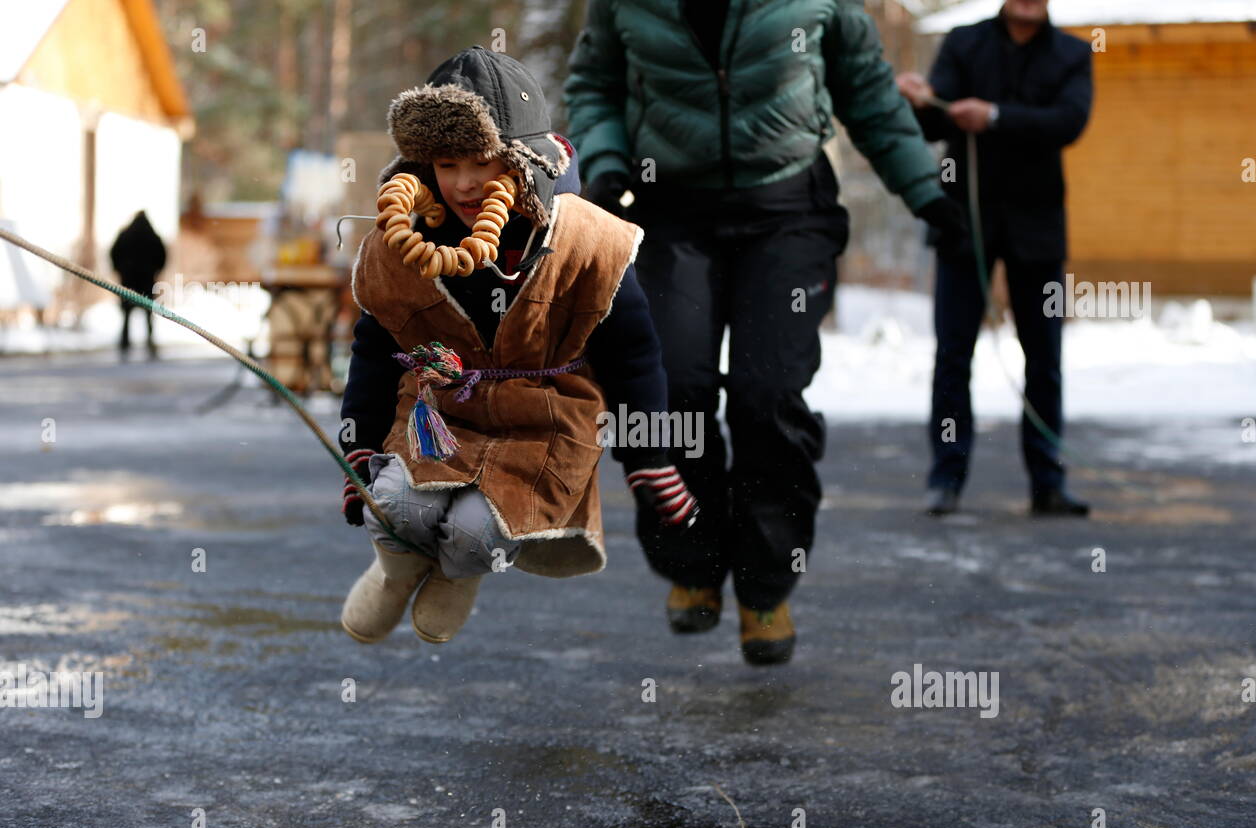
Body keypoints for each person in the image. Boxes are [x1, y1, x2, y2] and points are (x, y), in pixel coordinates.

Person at [564, 0, 964, 664]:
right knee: (671, 389)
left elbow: (865, 88)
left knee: (767, 392)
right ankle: (690, 562)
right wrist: (606, 163)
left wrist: (926, 190)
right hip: (669, 212)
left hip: (786, 210)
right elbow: (595, 83)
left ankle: (765, 584)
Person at [338, 46, 698, 645]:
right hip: (441, 411)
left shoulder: (590, 241)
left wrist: (650, 456)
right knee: (400, 506)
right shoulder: (403, 242)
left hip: (545, 422)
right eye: (446, 164)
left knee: (478, 532)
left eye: (480, 161)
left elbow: (635, 357)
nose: (463, 183)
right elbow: (376, 351)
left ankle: (459, 573)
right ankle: (396, 571)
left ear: (524, 161)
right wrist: (359, 446)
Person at [895, 0, 1092, 517]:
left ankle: (1048, 481)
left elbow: (1068, 121)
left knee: (1044, 357)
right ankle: (946, 478)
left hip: (1038, 229)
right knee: (953, 356)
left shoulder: (1072, 52)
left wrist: (996, 117)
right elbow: (934, 126)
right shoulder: (963, 43)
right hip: (966, 223)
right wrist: (920, 102)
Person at [108, 211, 167, 358]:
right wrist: (156, 270)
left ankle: (125, 342)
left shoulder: (125, 235)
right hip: (147, 280)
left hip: (128, 280)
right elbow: (162, 255)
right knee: (148, 314)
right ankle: (150, 341)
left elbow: (113, 252)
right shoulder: (153, 236)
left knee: (127, 314)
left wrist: (119, 269)